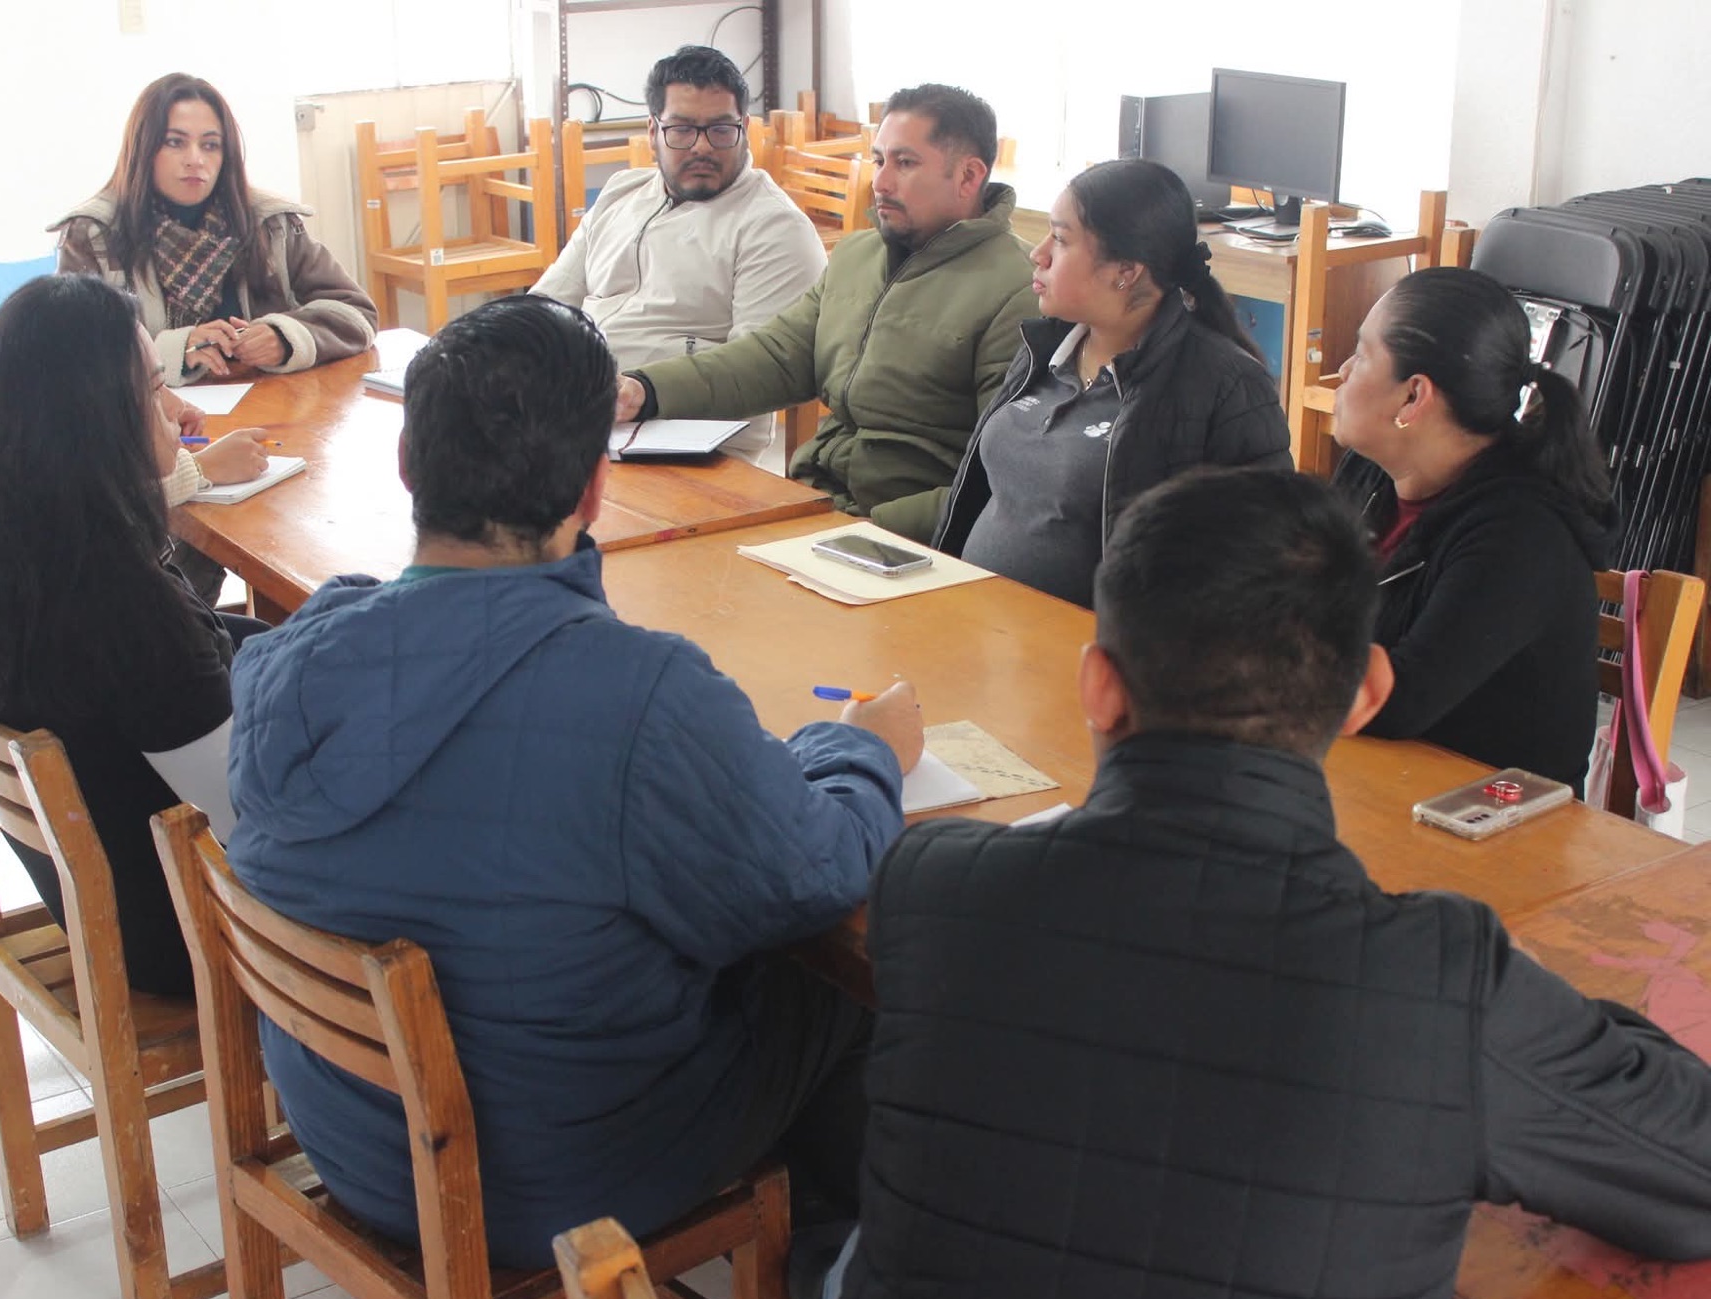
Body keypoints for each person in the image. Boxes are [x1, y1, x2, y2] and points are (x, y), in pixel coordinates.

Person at [826, 468, 1711, 1299]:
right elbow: (1687, 1166)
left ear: (1098, 682)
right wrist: (1545, 1017)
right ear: (1366, 692)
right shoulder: (1440, 984)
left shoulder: (932, 886)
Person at [225, 295, 920, 1268]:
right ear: (595, 488)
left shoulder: (289, 657)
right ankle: (831, 1276)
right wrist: (863, 750)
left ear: (407, 465)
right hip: (545, 1183)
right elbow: (812, 872)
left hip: (355, 1142)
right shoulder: (639, 693)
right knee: (848, 981)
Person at [0, 274, 268, 996]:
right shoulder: (121, 603)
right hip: (187, 932)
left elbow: (203, 654)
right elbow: (244, 808)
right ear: (101, 420)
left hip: (99, 905)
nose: (174, 412)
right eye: (155, 391)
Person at [615, 84, 1032, 542]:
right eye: (878, 160)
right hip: (818, 503)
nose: (881, 182)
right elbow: (776, 356)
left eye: (905, 163)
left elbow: (1001, 476)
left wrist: (867, 533)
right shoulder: (859, 255)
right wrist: (645, 389)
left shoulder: (1017, 291)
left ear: (969, 177)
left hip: (900, 535)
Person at [930, 158, 1290, 608]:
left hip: (1094, 659)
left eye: (1060, 240)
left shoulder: (1226, 385)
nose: (1037, 254)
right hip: (971, 623)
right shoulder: (1046, 347)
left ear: (1126, 270)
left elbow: (1261, 562)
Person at [1331, 265, 1616, 787]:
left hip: (1492, 824)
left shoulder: (1520, 536)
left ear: (1413, 397)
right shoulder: (1370, 473)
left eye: (1363, 353)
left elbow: (1399, 702)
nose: (1344, 370)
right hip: (1378, 775)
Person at [52, 72, 376, 499]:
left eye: (210, 144)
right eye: (175, 142)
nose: (195, 159)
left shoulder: (269, 223)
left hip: (272, 430)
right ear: (143, 149)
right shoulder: (93, 234)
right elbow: (75, 362)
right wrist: (173, 350)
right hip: (155, 448)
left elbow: (357, 312)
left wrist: (285, 336)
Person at [532, 45, 824, 461]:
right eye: (682, 130)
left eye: (721, 130)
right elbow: (547, 307)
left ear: (744, 128)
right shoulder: (622, 192)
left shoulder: (773, 227)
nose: (702, 147)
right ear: (653, 131)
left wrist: (640, 392)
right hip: (579, 419)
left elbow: (758, 376)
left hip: (684, 446)